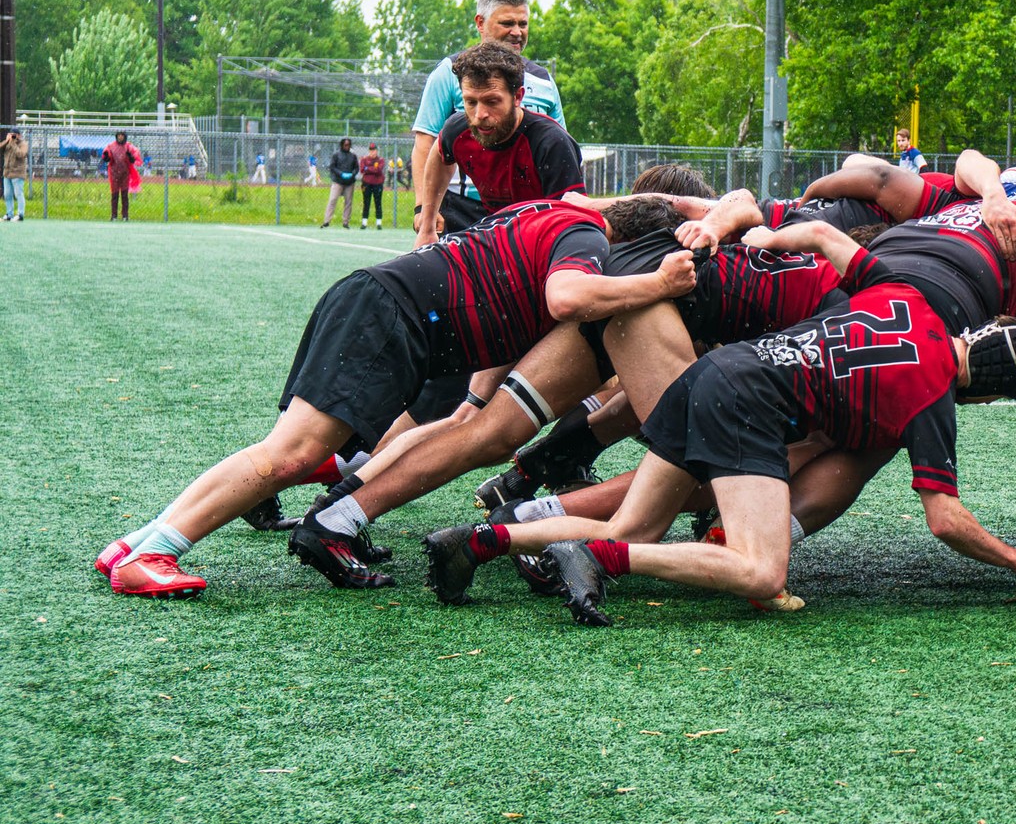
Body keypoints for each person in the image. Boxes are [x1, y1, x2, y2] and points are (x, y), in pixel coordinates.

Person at [423, 219, 1016, 623]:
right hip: (747, 407)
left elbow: (823, 237)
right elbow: (943, 518)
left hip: (716, 373)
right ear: (987, 395)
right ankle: (601, 557)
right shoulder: (934, 394)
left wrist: (762, 237)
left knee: (635, 521)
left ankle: (482, 540)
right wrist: (1015, 558)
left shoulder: (905, 297)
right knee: (763, 571)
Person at [95, 195, 694, 598]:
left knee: (288, 450)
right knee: (292, 455)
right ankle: (154, 555)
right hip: (395, 317)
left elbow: (609, 206)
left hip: (381, 301)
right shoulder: (587, 237)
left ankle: (138, 544)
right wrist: (660, 281)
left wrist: (696, 209)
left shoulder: (562, 209)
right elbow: (567, 298)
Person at [412, 0, 566, 243]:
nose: (517, 32)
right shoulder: (449, 72)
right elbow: (427, 143)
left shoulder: (544, 81)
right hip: (462, 209)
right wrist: (423, 209)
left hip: (528, 212)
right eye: (507, 23)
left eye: (523, 24)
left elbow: (561, 147)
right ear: (480, 23)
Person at [321, 138, 360, 229]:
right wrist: (340, 173)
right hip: (338, 181)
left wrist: (352, 174)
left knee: (348, 202)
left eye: (349, 145)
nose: (347, 147)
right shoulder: (336, 155)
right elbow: (332, 167)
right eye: (345, 145)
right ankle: (326, 221)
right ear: (342, 145)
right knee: (332, 200)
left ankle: (346, 222)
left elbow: (356, 168)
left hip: (349, 182)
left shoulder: (353, 156)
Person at [103, 131, 140, 220]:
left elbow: (134, 159)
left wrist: (130, 156)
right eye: (119, 135)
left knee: (124, 195)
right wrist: (106, 156)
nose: (120, 137)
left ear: (125, 137)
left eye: (122, 135)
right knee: (114, 195)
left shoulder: (128, 147)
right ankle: (114, 215)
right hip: (114, 173)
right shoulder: (111, 146)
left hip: (125, 173)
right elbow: (107, 158)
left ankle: (125, 215)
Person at [358, 143, 387, 229]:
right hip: (367, 183)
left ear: (377, 151)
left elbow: (378, 170)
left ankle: (378, 222)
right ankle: (364, 222)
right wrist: (371, 169)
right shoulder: (364, 159)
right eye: (371, 150)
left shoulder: (380, 160)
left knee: (378, 202)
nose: (372, 152)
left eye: (374, 150)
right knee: (366, 202)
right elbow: (362, 169)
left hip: (377, 183)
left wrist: (368, 168)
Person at [2, 128, 26, 221]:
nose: (13, 136)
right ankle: (9, 214)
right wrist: (7, 141)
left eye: (14, 135)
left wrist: (13, 144)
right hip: (7, 173)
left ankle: (20, 214)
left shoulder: (23, 144)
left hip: (17, 173)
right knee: (7, 194)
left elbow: (21, 154)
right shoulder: (8, 143)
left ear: (19, 135)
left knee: (18, 194)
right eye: (12, 134)